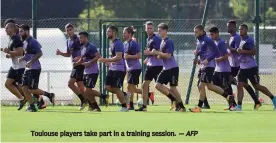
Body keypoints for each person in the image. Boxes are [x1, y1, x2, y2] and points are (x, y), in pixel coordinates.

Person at [190, 25, 235, 113]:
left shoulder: (208, 40)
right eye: (194, 32)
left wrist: (208, 59)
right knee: (210, 86)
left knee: (201, 85)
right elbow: (202, 53)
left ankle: (199, 107)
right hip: (204, 66)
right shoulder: (198, 40)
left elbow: (217, 52)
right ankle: (229, 97)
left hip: (209, 66)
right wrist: (197, 59)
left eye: (197, 32)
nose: (195, 33)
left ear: (202, 31)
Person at [231, 24, 276, 111]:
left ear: (246, 31)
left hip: (251, 67)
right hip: (243, 68)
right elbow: (238, 51)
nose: (240, 31)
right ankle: (239, 106)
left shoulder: (249, 40)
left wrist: (242, 51)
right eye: (239, 29)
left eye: (242, 29)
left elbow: (254, 52)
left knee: (257, 86)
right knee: (239, 85)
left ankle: (274, 98)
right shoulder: (240, 40)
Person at [18, 24, 55, 112]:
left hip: (34, 68)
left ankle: (49, 95)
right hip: (28, 69)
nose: (20, 33)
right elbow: (28, 55)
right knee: (24, 88)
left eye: (21, 31)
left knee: (32, 89)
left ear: (26, 31)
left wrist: (30, 62)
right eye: (19, 31)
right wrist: (23, 58)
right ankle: (32, 106)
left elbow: (39, 53)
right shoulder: (25, 42)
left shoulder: (32, 41)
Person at [227, 20, 261, 109]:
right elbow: (238, 50)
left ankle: (234, 104)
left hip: (240, 65)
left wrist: (230, 49)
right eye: (227, 26)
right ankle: (237, 104)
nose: (228, 28)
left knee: (252, 85)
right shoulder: (232, 37)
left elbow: (242, 50)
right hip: (236, 65)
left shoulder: (238, 38)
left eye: (230, 26)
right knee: (241, 84)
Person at [153, 23, 186, 112]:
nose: (158, 32)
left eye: (160, 30)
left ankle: (182, 107)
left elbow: (168, 56)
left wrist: (157, 53)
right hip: (165, 69)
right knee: (157, 85)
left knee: (173, 88)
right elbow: (162, 55)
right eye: (158, 30)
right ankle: (173, 100)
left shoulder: (169, 41)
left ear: (165, 31)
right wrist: (158, 55)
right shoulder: (162, 41)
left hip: (173, 68)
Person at [74, 31, 108, 112]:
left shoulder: (91, 46)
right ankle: (95, 107)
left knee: (87, 91)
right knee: (88, 92)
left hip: (93, 72)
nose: (80, 39)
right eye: (79, 38)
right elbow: (82, 59)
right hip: (86, 72)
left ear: (86, 38)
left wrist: (90, 62)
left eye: (81, 38)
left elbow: (98, 56)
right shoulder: (82, 47)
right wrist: (77, 63)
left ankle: (103, 96)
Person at [135, 21, 165, 112]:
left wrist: (149, 53)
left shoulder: (156, 39)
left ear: (153, 29)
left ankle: (174, 99)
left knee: (159, 86)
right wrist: (148, 58)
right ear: (145, 29)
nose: (149, 29)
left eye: (151, 28)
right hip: (151, 65)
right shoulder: (148, 39)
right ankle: (144, 106)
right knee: (144, 85)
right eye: (147, 28)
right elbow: (151, 52)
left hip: (157, 66)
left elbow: (159, 52)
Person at [56, 23, 86, 110]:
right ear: (65, 31)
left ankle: (85, 100)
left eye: (70, 30)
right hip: (76, 65)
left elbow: (85, 49)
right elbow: (69, 54)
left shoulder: (78, 39)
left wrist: (80, 57)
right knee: (80, 85)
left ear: (73, 30)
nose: (69, 31)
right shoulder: (68, 41)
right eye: (67, 30)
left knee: (71, 83)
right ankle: (89, 102)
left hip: (80, 64)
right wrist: (60, 53)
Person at [98, 26, 128, 112]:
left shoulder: (118, 43)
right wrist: (109, 63)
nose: (107, 33)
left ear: (114, 33)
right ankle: (124, 94)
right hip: (113, 68)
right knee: (107, 87)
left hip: (120, 69)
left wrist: (105, 59)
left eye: (109, 31)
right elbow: (114, 58)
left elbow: (118, 57)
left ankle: (124, 107)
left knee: (115, 87)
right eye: (107, 31)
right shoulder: (112, 43)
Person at [209, 26, 237, 109]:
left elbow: (226, 56)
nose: (210, 36)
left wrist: (214, 60)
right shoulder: (215, 42)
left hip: (224, 70)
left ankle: (233, 105)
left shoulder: (221, 43)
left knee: (226, 87)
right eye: (210, 34)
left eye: (212, 34)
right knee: (214, 85)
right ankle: (231, 103)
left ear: (217, 33)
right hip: (218, 70)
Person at [1, 22, 26, 110]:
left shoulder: (16, 39)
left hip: (21, 67)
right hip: (14, 66)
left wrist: (8, 52)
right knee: (8, 84)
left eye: (7, 28)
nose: (5, 29)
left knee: (22, 87)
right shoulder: (11, 39)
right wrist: (8, 53)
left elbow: (20, 52)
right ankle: (22, 99)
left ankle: (35, 100)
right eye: (5, 28)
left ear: (12, 29)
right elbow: (13, 52)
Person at [123, 27, 142, 110]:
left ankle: (130, 105)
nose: (123, 34)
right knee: (132, 88)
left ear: (130, 34)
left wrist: (129, 56)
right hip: (129, 68)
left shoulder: (133, 43)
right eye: (123, 33)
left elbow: (139, 55)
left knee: (129, 87)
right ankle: (148, 94)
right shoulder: (125, 43)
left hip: (135, 68)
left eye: (125, 33)